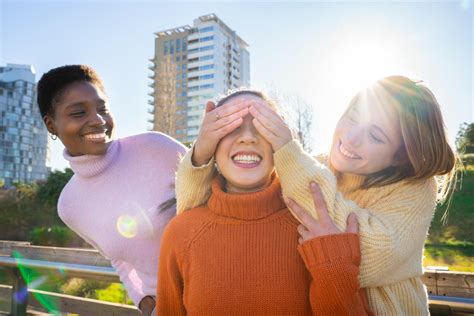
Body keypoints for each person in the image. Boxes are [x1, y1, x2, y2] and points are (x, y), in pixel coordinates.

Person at [175, 77, 458, 315]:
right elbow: (194, 211)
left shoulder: (414, 188)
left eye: (376, 136)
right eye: (352, 118)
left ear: (400, 156)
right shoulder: (312, 168)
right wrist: (202, 151)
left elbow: (366, 260)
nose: (351, 138)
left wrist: (288, 151)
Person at [156, 90, 371, 315]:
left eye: (263, 126)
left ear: (281, 142)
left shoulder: (318, 230)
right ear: (212, 144)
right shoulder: (180, 233)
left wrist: (334, 266)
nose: (248, 137)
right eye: (232, 126)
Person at [37, 64, 191, 315]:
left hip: (217, 291)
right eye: (78, 113)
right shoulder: (69, 205)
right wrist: (142, 299)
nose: (97, 120)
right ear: (51, 125)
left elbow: (219, 199)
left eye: (102, 109)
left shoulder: (156, 148)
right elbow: (118, 257)